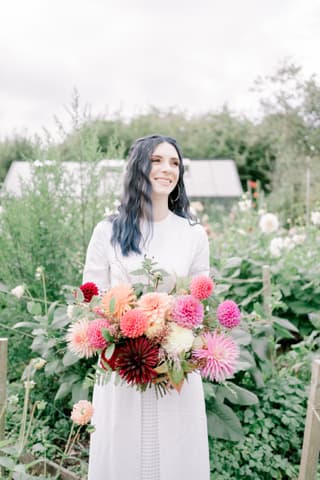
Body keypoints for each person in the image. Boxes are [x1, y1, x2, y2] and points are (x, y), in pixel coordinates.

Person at [83, 134, 211, 480]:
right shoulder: (107, 231)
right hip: (123, 364)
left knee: (175, 449)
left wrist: (173, 335)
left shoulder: (192, 234)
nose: (167, 169)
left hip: (174, 366)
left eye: (174, 163)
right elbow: (92, 296)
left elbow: (200, 301)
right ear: (138, 166)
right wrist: (123, 328)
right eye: (157, 160)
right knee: (122, 448)